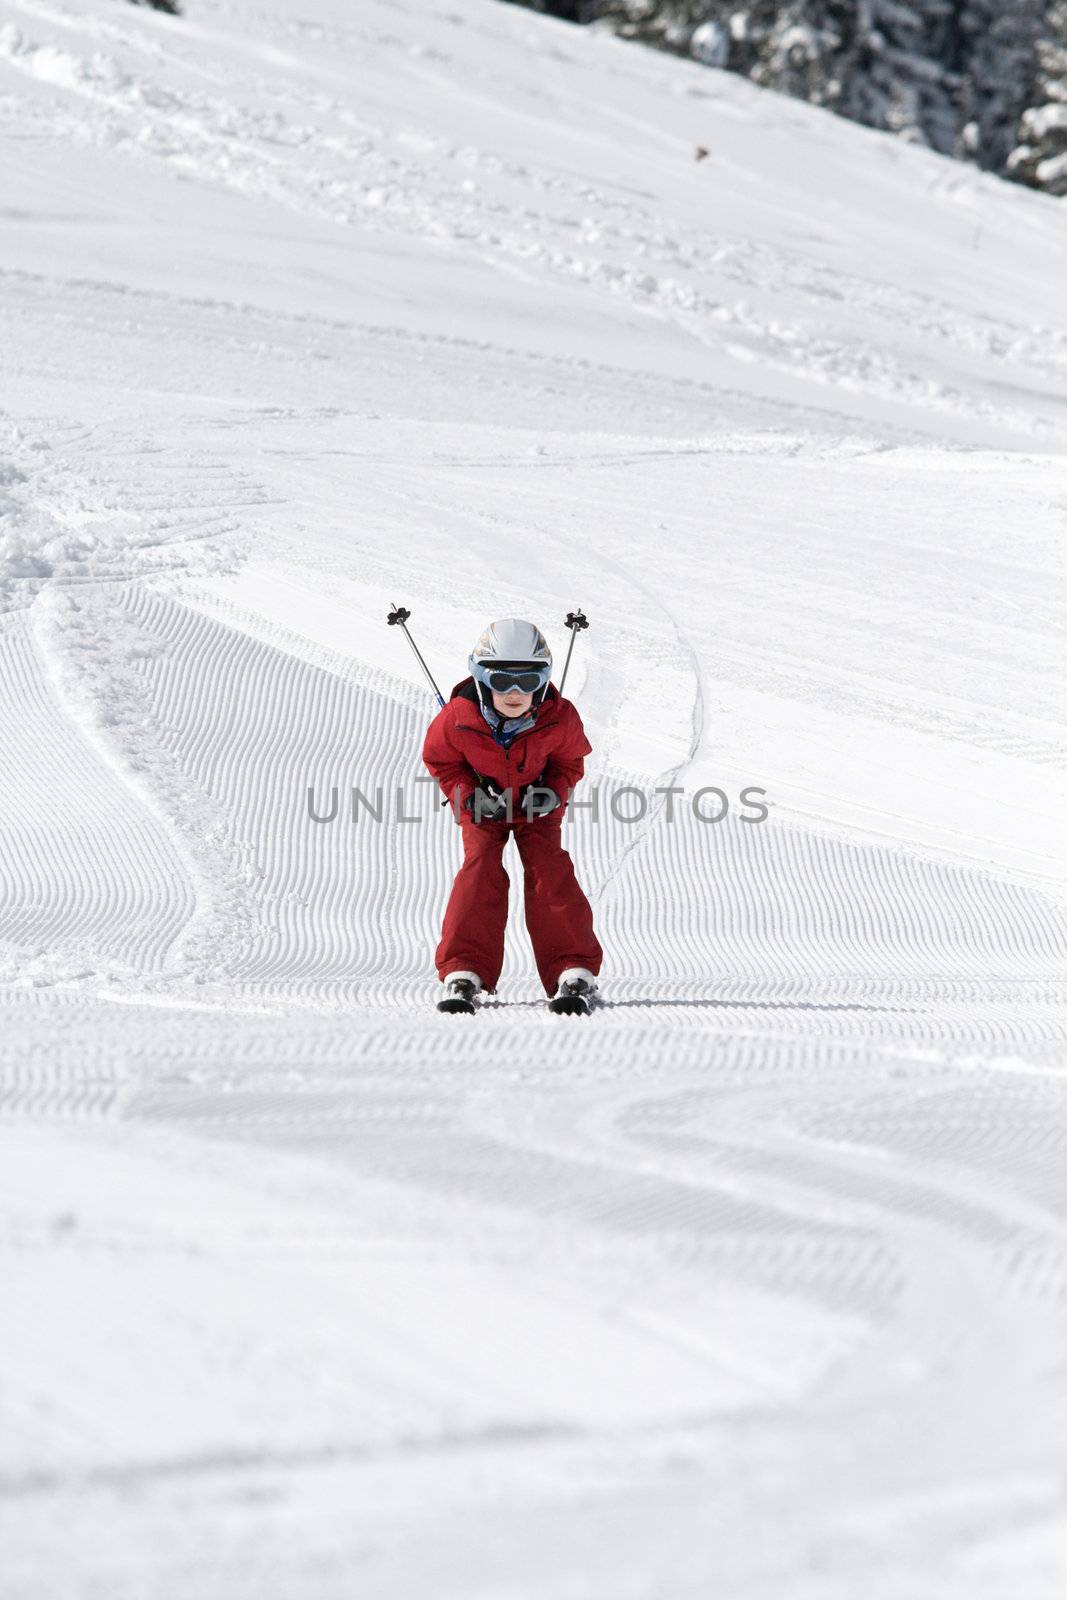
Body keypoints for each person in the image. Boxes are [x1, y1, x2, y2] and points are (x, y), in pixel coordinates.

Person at [422, 618, 603, 1010]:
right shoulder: (459, 717)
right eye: (503, 680)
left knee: (548, 868)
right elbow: (441, 760)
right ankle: (464, 967)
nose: (517, 692)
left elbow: (571, 761)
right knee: (480, 866)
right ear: (482, 678)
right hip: (483, 806)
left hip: (535, 805)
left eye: (531, 680)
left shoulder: (559, 716)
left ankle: (572, 968)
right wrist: (467, 796)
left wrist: (553, 793)